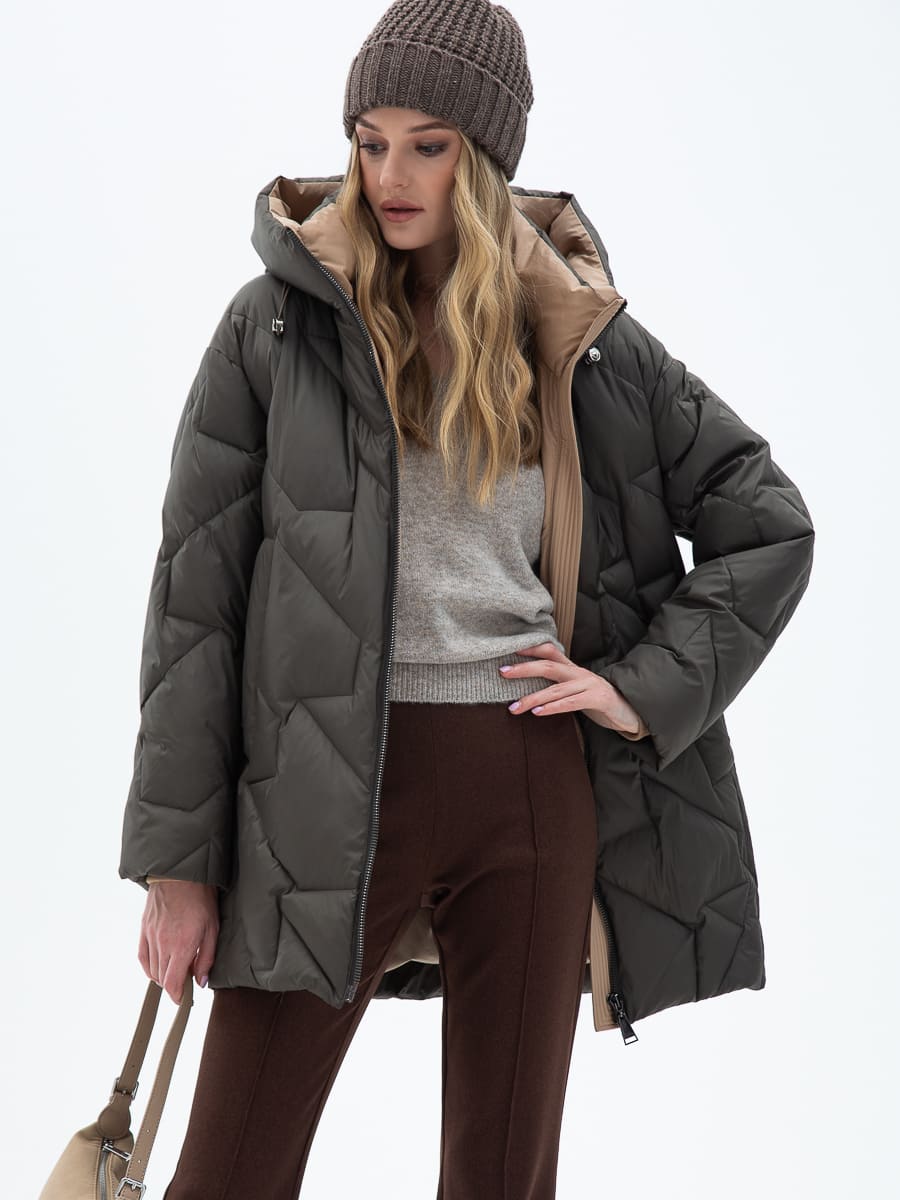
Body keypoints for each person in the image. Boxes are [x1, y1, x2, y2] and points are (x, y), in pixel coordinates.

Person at [117, 2, 815, 1197]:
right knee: (227, 1172)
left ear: (484, 156)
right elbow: (197, 607)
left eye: (428, 145)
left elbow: (770, 521)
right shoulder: (274, 327)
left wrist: (639, 691)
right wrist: (177, 866)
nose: (391, 175)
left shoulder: (581, 343)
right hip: (325, 788)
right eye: (370, 141)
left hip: (528, 781)